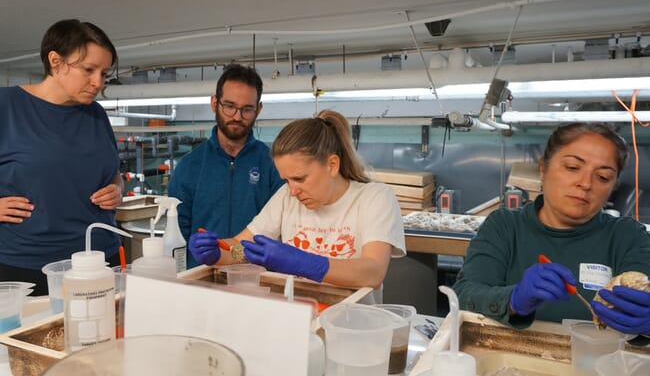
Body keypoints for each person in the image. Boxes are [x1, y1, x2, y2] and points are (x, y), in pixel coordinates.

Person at [453, 123, 650, 337]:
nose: (585, 183)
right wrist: (512, 299)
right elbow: (462, 296)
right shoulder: (505, 226)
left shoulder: (628, 236)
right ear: (543, 168)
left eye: (602, 177)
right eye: (573, 167)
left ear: (613, 186)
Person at [188, 109, 406, 301]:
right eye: (287, 180)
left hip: (350, 328)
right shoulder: (287, 197)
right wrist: (217, 253)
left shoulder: (374, 198)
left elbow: (373, 271)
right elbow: (239, 248)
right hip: (297, 321)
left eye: (300, 179)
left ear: (332, 165)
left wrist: (303, 263)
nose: (292, 190)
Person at [0, 19, 124, 295]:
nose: (98, 82)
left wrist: (117, 190)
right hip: (28, 266)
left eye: (104, 73)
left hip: (100, 258)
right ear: (55, 61)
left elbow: (112, 174)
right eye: (89, 70)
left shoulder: (96, 114)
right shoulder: (6, 106)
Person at [168, 64, 284, 268]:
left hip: (257, 278)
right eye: (229, 106)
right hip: (201, 279)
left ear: (259, 109)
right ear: (214, 103)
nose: (237, 117)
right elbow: (177, 236)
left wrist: (232, 255)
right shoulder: (189, 167)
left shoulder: (273, 165)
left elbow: (279, 234)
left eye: (247, 109)